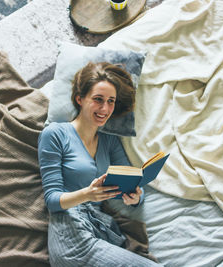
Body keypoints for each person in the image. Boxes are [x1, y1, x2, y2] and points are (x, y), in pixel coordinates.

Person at [38, 62, 162, 266]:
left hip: (100, 231)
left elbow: (133, 179)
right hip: (71, 234)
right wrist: (87, 194)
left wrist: (135, 197)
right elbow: (52, 200)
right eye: (98, 100)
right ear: (80, 99)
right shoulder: (55, 134)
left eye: (110, 101)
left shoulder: (109, 141)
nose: (105, 108)